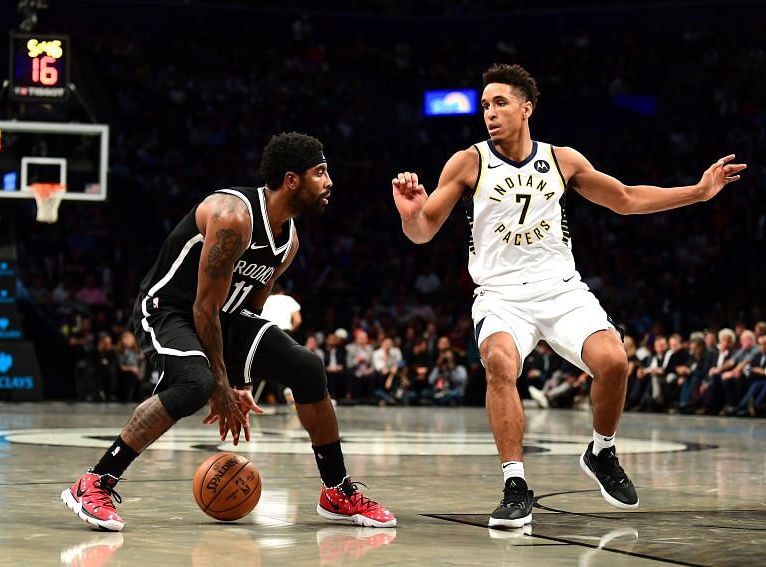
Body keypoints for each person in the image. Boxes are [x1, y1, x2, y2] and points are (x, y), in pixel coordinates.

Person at [391, 63, 746, 529]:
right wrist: (410, 214)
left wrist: (699, 193)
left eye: (500, 103)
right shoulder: (468, 161)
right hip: (500, 295)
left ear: (526, 107)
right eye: (484, 106)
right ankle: (515, 486)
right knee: (499, 363)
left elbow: (626, 197)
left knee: (615, 362)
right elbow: (422, 232)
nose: (489, 113)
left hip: (561, 290)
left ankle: (601, 451)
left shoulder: (562, 160)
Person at [62, 132, 395, 531]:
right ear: (292, 180)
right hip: (170, 310)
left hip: (223, 316)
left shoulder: (287, 240)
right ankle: (95, 480)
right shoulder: (232, 217)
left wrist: (240, 380)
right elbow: (203, 308)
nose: (329, 182)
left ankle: (337, 491)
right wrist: (221, 385)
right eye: (320, 173)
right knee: (194, 385)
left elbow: (249, 312)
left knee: (307, 367)